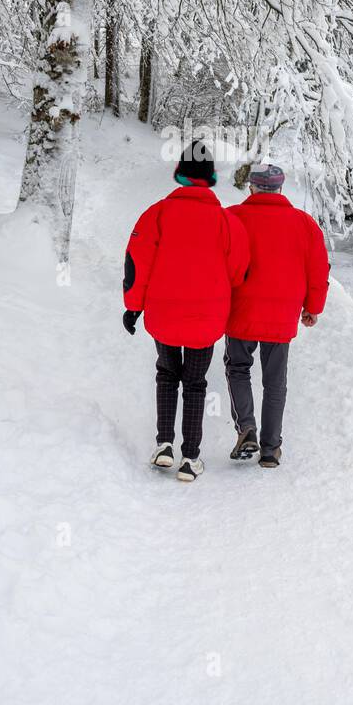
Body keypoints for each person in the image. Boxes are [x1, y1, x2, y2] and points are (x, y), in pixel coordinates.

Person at [122, 141, 249, 482]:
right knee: (195, 383)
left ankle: (164, 444)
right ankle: (190, 459)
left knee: (166, 374)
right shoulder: (227, 222)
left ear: (179, 173)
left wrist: (133, 308)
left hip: (164, 314)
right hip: (206, 319)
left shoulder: (157, 214)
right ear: (210, 178)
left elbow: (137, 264)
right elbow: (239, 272)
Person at [224, 164, 329, 468]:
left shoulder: (233, 217)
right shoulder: (303, 223)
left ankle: (246, 428)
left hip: (241, 309)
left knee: (238, 368)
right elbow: (318, 269)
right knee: (275, 381)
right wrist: (313, 307)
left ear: (252, 188)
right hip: (282, 314)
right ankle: (271, 449)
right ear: (281, 189)